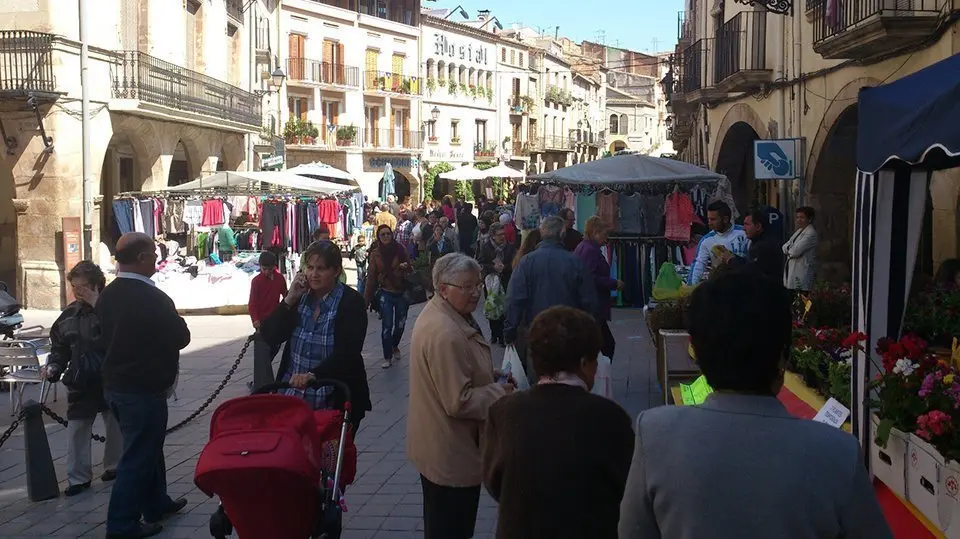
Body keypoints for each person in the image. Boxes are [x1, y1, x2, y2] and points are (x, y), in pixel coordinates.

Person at [618, 269, 893, 539]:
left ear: (696, 352)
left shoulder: (655, 433)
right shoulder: (837, 453)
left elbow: (632, 531)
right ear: (784, 356)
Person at [482, 306, 633, 539]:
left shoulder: (503, 411)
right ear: (584, 363)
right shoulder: (610, 417)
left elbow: (495, 482)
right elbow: (626, 487)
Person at [407, 253, 514, 539]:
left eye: (477, 285)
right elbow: (459, 400)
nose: (476, 292)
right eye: (466, 286)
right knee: (451, 528)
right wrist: (498, 391)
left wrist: (487, 375)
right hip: (451, 452)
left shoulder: (444, 314)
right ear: (443, 288)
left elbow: (454, 372)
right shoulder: (446, 331)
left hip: (439, 446)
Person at [98, 232, 190, 539]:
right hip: (142, 389)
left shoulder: (109, 295)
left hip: (117, 386)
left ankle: (156, 502)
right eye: (152, 254)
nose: (156, 259)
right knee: (137, 458)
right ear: (140, 258)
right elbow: (181, 337)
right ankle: (121, 525)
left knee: (148, 447)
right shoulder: (153, 297)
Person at [259, 241, 371, 435]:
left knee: (328, 461)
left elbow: (348, 352)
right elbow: (270, 335)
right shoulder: (301, 297)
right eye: (310, 268)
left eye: (321, 269)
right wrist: (288, 300)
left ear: (336, 271)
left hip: (333, 396)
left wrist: (314, 375)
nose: (314, 274)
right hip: (293, 394)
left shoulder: (350, 302)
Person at [42, 261, 122, 497]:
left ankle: (114, 466)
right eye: (75, 287)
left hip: (109, 378)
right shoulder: (69, 315)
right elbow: (60, 346)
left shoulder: (112, 310)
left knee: (114, 425)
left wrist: (99, 305)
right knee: (77, 428)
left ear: (98, 285)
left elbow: (123, 334)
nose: (79, 292)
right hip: (80, 379)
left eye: (84, 286)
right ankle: (78, 478)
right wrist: (54, 366)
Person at [505, 216, 599, 383]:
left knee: (541, 384)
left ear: (542, 233)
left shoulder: (527, 262)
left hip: (537, 335)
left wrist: (510, 331)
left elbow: (514, 299)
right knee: (569, 383)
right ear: (562, 234)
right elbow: (590, 302)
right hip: (570, 335)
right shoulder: (574, 262)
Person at [574, 216, 622, 359]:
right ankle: (597, 377)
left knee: (598, 345)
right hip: (593, 305)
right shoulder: (590, 250)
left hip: (589, 305)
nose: (606, 237)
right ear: (595, 232)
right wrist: (613, 283)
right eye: (604, 234)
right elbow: (590, 278)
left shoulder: (584, 247)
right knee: (606, 345)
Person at [364, 224, 412, 369]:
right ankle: (387, 356)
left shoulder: (400, 249)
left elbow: (410, 266)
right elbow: (371, 278)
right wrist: (365, 301)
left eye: (388, 234)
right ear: (378, 237)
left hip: (401, 291)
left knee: (400, 325)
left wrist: (405, 267)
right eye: (382, 234)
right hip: (386, 292)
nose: (386, 237)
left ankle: (394, 345)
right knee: (387, 326)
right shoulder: (375, 254)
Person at [248, 251, 288, 391]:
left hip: (276, 319)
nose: (266, 272)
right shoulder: (256, 281)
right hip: (262, 321)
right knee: (262, 353)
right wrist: (255, 320)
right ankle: (260, 381)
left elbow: (286, 295)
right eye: (264, 269)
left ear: (274, 267)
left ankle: (261, 379)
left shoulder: (279, 279)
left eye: (269, 269)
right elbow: (252, 303)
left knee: (274, 349)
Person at [686, 201, 749, 285]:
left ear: (725, 219)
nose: (709, 223)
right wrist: (691, 288)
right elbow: (698, 265)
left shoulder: (744, 233)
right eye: (708, 219)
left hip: (745, 284)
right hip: (721, 287)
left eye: (713, 219)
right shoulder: (707, 240)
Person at [478, 223, 517, 345]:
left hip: (505, 280)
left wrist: (504, 267)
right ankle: (495, 334)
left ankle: (503, 336)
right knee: (492, 306)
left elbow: (515, 263)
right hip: (491, 282)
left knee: (504, 308)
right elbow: (480, 263)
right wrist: (493, 267)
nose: (502, 237)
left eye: (503, 234)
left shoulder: (510, 247)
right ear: (493, 236)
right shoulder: (485, 246)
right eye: (499, 235)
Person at [726, 209, 784, 282]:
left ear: (758, 226)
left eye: (747, 224)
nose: (744, 228)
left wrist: (731, 260)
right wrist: (733, 257)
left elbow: (751, 271)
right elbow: (748, 263)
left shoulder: (764, 246)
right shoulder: (757, 242)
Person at [782, 206, 819, 292]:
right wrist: (789, 249)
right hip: (792, 273)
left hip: (802, 275)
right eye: (797, 217)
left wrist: (789, 250)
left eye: (802, 217)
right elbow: (784, 246)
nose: (799, 220)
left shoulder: (811, 234)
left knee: (802, 302)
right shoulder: (799, 231)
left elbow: (795, 251)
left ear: (809, 219)